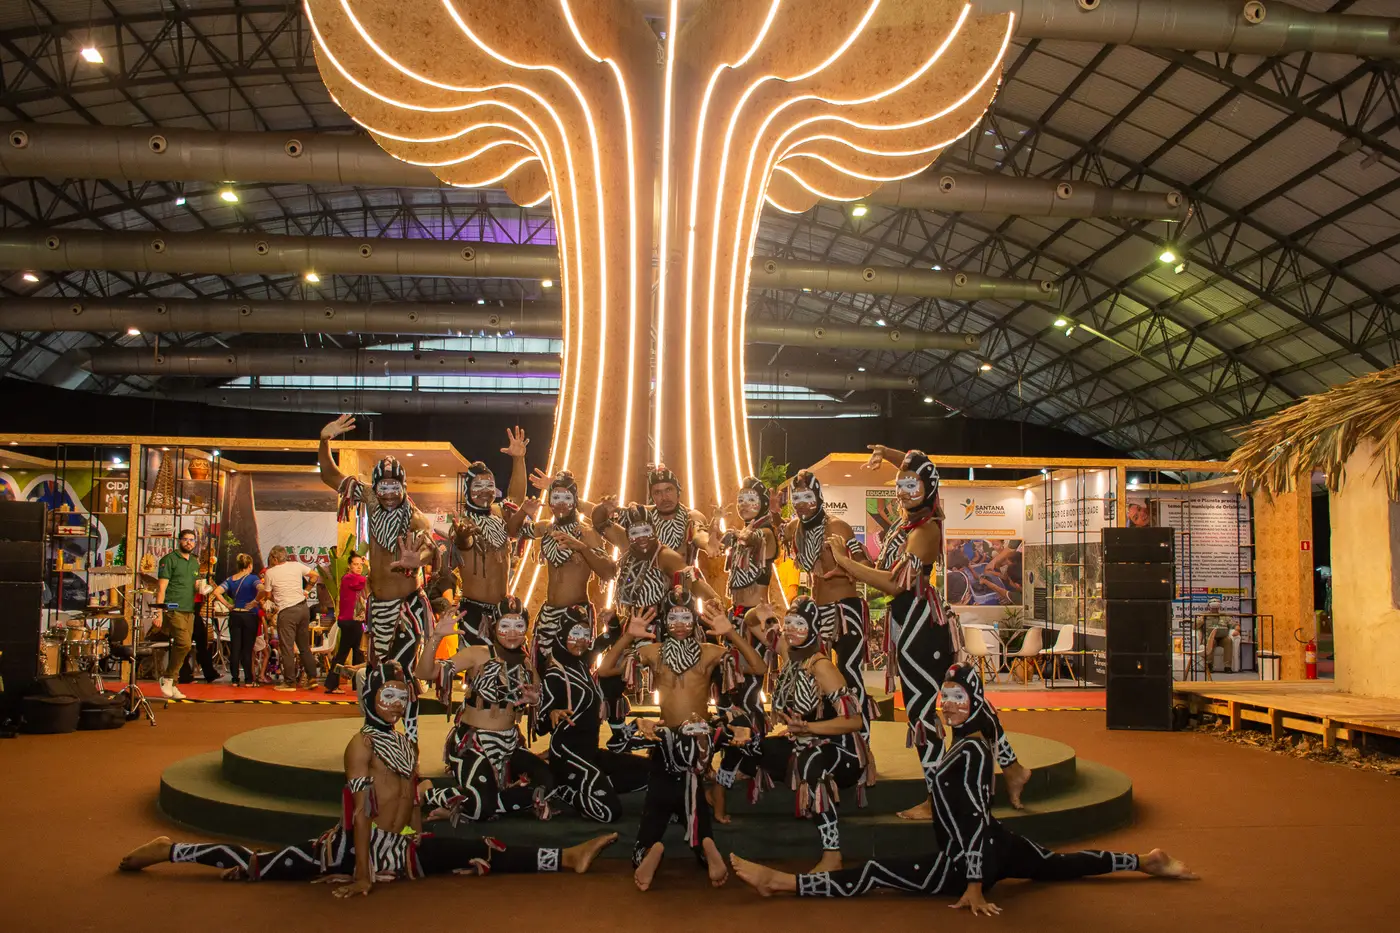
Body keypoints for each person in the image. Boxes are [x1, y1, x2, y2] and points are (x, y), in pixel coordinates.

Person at [118, 661, 617, 893]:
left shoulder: (405, 742)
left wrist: (415, 832)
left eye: (401, 697)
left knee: (482, 848)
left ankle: (566, 857)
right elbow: (359, 814)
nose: (396, 704)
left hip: (401, 846)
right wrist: (361, 874)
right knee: (257, 867)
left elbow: (410, 797)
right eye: (387, 696)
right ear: (370, 698)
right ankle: (170, 851)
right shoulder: (361, 745)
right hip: (347, 850)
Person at [731, 662, 1196, 908]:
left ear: (974, 702)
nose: (949, 704)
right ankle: (1143, 860)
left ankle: (784, 883)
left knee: (872, 872)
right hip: (1000, 843)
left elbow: (972, 818)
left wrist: (973, 884)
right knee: (1057, 865)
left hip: (964, 860)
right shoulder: (970, 737)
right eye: (946, 696)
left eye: (959, 698)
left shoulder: (971, 752)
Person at [827, 446, 1030, 817]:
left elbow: (893, 584)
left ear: (929, 489)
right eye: (900, 483)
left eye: (912, 485)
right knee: (960, 703)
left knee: (923, 716)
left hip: (921, 629)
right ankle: (1013, 767)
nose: (904, 491)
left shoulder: (926, 529)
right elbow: (915, 469)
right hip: (913, 625)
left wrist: (845, 562)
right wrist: (890, 454)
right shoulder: (908, 523)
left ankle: (937, 799)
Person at [597, 590, 766, 891]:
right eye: (672, 617)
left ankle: (649, 848)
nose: (678, 623)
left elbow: (759, 667)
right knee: (687, 789)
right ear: (664, 620)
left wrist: (731, 634)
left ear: (694, 620)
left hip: (699, 739)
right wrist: (628, 636)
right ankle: (706, 843)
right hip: (667, 740)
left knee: (658, 794)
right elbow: (606, 669)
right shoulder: (654, 651)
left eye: (685, 616)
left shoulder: (709, 651)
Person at [319, 414, 436, 737]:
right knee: (377, 672)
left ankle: (410, 736)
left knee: (405, 674)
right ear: (376, 485)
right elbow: (330, 476)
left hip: (407, 607)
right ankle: (377, 733)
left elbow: (429, 544)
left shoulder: (413, 515)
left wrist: (418, 559)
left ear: (403, 486)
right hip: (379, 606)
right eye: (384, 485)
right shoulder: (368, 497)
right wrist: (325, 441)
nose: (388, 492)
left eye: (394, 486)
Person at [414, 598, 554, 823]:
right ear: (494, 626)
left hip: (509, 745)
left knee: (548, 783)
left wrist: (536, 701)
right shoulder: (477, 653)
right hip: (474, 744)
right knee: (483, 807)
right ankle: (430, 793)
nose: (512, 633)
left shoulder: (527, 664)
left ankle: (476, 802)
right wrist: (437, 637)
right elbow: (425, 673)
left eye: (518, 626)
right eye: (505, 626)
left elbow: (541, 706)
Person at [783, 470, 876, 795]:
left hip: (846, 609)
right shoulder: (795, 529)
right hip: (817, 613)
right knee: (821, 681)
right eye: (797, 498)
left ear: (819, 497)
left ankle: (864, 751)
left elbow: (866, 563)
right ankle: (830, 743)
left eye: (808, 497)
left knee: (851, 677)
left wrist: (845, 563)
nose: (802, 503)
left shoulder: (837, 527)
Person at [757, 597, 864, 872]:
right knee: (755, 748)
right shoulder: (789, 652)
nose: (792, 629)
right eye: (789, 622)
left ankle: (832, 852)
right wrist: (763, 614)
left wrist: (808, 728)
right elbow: (753, 624)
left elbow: (854, 721)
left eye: (800, 624)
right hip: (802, 743)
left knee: (811, 761)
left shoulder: (821, 666)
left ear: (814, 628)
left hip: (841, 752)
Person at [539, 605, 649, 822]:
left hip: (591, 753)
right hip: (567, 756)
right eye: (575, 633)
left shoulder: (582, 662)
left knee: (651, 770)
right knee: (609, 812)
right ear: (562, 634)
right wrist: (552, 713)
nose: (581, 640)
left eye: (585, 634)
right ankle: (563, 790)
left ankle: (596, 785)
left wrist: (618, 626)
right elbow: (540, 725)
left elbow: (608, 640)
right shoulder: (554, 674)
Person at [519, 470, 616, 671]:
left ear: (575, 501)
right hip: (548, 613)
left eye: (567, 497)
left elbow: (609, 572)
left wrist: (581, 548)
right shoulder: (545, 528)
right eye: (556, 497)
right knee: (542, 670)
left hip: (575, 615)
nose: (562, 503)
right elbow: (513, 531)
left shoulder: (586, 532)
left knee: (573, 672)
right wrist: (522, 512)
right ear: (549, 501)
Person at [452, 427, 533, 645]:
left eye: (489, 485)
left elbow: (516, 498)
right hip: (473, 610)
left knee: (503, 663)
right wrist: (463, 537)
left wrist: (519, 459)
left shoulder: (500, 513)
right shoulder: (463, 522)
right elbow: (463, 543)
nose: (485, 490)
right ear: (468, 489)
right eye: (478, 485)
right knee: (476, 663)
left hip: (502, 610)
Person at [593, 502, 723, 612]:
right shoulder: (627, 545)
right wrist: (604, 508)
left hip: (660, 626)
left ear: (654, 530)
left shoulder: (665, 556)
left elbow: (693, 580)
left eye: (646, 530)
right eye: (635, 532)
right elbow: (599, 523)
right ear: (628, 534)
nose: (641, 537)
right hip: (632, 623)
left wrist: (715, 599)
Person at [262, 545, 319, 692]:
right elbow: (315, 575)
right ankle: (312, 677)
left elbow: (268, 596)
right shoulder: (296, 565)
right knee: (304, 646)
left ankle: (289, 682)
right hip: (303, 608)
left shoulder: (270, 572)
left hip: (287, 611)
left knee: (287, 647)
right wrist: (306, 591)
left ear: (274, 558)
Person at [154, 528, 200, 700]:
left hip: (189, 609)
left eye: (192, 540)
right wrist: (158, 612)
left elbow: (195, 585)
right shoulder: (169, 560)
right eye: (186, 539)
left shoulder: (194, 562)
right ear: (179, 541)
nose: (189, 542)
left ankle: (172, 683)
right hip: (173, 607)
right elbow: (161, 588)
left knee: (185, 646)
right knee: (184, 643)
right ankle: (168, 678)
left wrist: (203, 587)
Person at [212, 553, 261, 687]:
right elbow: (262, 589)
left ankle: (234, 679)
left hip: (234, 615)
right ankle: (248, 679)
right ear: (250, 565)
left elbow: (216, 591)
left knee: (235, 647)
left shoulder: (230, 579)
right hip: (249, 615)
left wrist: (228, 605)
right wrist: (255, 601)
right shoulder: (253, 578)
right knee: (247, 648)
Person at [324, 554, 369, 694]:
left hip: (356, 621)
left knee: (358, 653)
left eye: (360, 565)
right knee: (343, 654)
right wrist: (369, 567)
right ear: (349, 566)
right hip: (350, 621)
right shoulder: (349, 578)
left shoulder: (355, 578)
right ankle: (332, 684)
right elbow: (368, 581)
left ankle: (358, 684)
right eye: (355, 564)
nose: (359, 567)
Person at [1197, 598, 1240, 677]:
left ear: (1219, 607)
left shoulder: (1224, 616)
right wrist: (1201, 619)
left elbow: (1235, 625)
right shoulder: (1205, 616)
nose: (1215, 609)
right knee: (1212, 642)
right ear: (1209, 607)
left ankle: (1227, 666)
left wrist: (1237, 630)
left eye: (1216, 607)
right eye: (1213, 607)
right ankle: (1209, 665)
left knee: (1228, 640)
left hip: (1222, 638)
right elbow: (1195, 627)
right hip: (1210, 638)